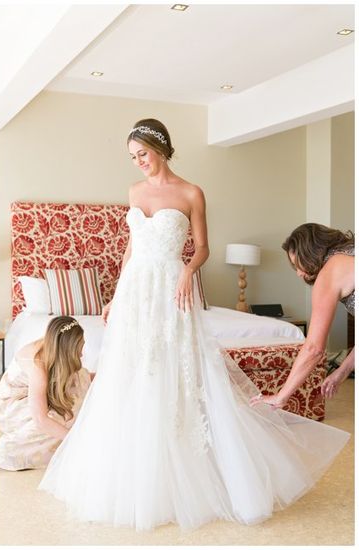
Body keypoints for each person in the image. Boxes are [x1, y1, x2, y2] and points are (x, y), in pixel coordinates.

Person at [38, 119, 350, 531]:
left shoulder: (190, 193)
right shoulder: (133, 192)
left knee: (175, 365)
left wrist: (188, 271)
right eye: (132, 158)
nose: (139, 164)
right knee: (133, 369)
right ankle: (132, 470)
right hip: (135, 291)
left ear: (160, 148)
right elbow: (132, 248)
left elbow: (203, 247)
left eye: (143, 154)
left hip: (172, 286)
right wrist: (116, 293)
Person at [252, 224, 354, 407]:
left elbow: (314, 348)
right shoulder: (350, 254)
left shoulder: (329, 272)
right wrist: (341, 373)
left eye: (297, 264)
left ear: (310, 253)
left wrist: (281, 396)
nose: (298, 273)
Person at [0, 316, 91, 471]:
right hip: (11, 405)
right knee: (61, 417)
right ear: (66, 348)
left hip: (36, 396)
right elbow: (41, 419)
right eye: (79, 347)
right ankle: (12, 450)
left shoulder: (53, 344)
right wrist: (77, 442)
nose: (81, 354)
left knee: (78, 381)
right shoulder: (37, 364)